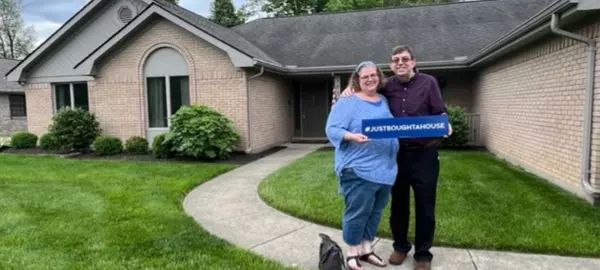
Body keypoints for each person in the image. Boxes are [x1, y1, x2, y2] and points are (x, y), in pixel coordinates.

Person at [334, 45, 452, 270]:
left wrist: (445, 124)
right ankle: (400, 247)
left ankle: (423, 255)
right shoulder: (386, 85)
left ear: (413, 62)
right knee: (398, 204)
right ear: (390, 65)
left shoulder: (429, 83)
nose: (400, 63)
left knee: (425, 205)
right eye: (396, 60)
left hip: (425, 153)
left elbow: (439, 112)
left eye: (405, 59)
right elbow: (365, 87)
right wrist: (349, 88)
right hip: (397, 155)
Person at [325, 61, 400, 270]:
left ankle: (366, 250)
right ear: (357, 79)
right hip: (358, 170)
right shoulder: (347, 102)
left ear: (379, 77)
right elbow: (332, 129)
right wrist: (352, 136)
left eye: (373, 75)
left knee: (375, 212)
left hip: (385, 170)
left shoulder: (383, 100)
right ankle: (352, 254)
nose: (370, 79)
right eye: (365, 76)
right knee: (357, 212)